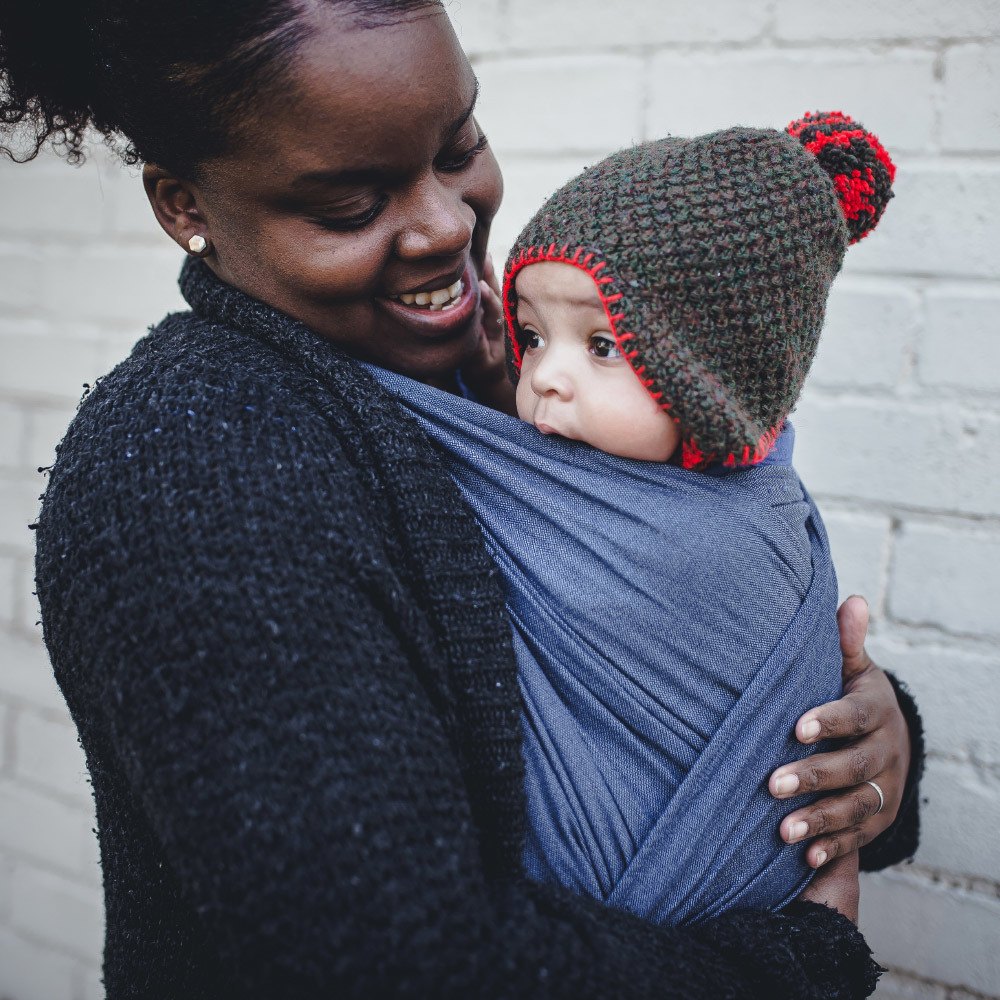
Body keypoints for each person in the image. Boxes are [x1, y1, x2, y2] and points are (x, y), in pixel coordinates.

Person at [1, 2, 923, 996]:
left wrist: (862, 748)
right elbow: (389, 958)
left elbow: (670, 632)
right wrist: (797, 964)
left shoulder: (500, 376)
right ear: (185, 206)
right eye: (352, 204)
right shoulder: (194, 453)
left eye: (459, 145)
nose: (447, 223)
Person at [361, 113, 897, 926]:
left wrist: (891, 730)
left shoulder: (741, 529)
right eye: (533, 337)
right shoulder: (522, 463)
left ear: (715, 379)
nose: (546, 379)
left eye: (604, 345)